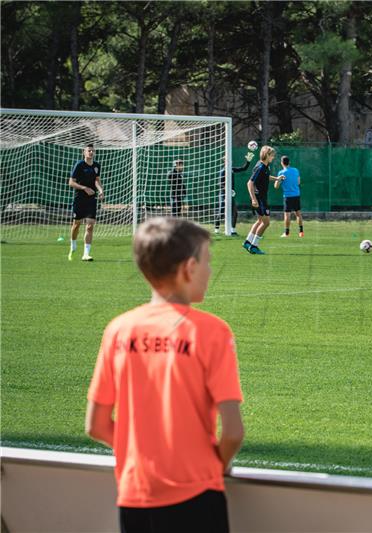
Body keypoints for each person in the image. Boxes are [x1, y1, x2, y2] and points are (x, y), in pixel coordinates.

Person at [85, 217, 244, 533]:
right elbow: (233, 432)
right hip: (197, 495)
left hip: (135, 496)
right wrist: (208, 465)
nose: (211, 271)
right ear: (188, 269)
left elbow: (96, 425)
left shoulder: (118, 329)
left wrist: (146, 454)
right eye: (207, 262)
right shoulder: (211, 332)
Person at [67, 143, 104, 261]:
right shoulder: (79, 165)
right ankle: (73, 245)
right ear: (84, 152)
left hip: (91, 200)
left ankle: (86, 254)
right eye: (89, 151)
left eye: (93, 151)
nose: (91, 152)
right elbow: (71, 182)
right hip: (79, 199)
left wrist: (100, 190)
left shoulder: (97, 166)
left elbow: (97, 181)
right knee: (76, 225)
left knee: (90, 226)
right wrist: (84, 188)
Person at [243, 145, 282, 255]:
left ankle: (247, 242)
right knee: (266, 223)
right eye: (272, 155)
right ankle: (254, 246)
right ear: (267, 155)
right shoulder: (260, 167)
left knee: (260, 221)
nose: (273, 157)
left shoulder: (265, 167)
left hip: (262, 198)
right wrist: (253, 199)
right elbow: (250, 183)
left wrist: (277, 178)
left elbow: (266, 177)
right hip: (259, 199)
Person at [214, 152, 254, 235]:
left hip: (230, 194)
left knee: (235, 212)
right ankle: (216, 229)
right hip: (223, 194)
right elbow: (220, 184)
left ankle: (232, 230)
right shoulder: (222, 171)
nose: (230, 161)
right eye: (228, 160)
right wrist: (227, 190)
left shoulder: (231, 169)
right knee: (221, 211)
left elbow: (244, 168)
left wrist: (248, 161)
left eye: (230, 160)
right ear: (224, 161)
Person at [275, 155, 304, 237]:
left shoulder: (281, 173)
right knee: (298, 213)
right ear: (289, 162)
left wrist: (278, 180)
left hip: (287, 196)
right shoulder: (295, 170)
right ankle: (301, 232)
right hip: (296, 195)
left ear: (281, 163)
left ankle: (286, 233)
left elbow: (276, 186)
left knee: (287, 214)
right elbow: (298, 182)